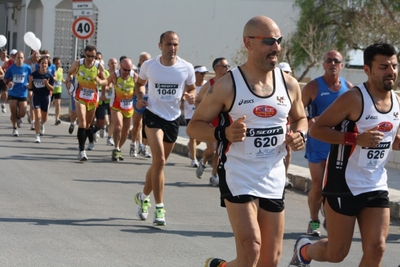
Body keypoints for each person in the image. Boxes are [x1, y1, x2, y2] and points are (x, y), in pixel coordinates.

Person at [187, 16, 308, 267]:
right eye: (268, 41)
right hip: (238, 172)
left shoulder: (289, 85)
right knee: (252, 250)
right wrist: (224, 133)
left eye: (279, 41)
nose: (276, 47)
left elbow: (301, 119)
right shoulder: (228, 85)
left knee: (270, 260)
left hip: (273, 174)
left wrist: (299, 135)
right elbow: (193, 127)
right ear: (248, 43)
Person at [289, 42, 400, 267]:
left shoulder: (396, 101)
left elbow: (394, 142)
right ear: (367, 70)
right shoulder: (354, 98)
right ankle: (305, 250)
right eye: (383, 66)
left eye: (395, 66)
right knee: (337, 253)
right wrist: (355, 139)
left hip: (375, 184)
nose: (391, 71)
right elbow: (318, 129)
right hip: (344, 183)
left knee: (377, 247)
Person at [134, 31, 196, 226]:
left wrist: (190, 96)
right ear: (160, 45)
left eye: (175, 44)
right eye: (169, 44)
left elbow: (192, 88)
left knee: (158, 165)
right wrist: (141, 95)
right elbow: (139, 84)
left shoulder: (186, 67)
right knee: (159, 159)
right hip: (153, 114)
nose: (172, 48)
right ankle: (159, 208)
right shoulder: (149, 66)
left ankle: (143, 197)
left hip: (173, 118)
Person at [301, 50, 353, 236]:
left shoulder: (348, 87)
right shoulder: (313, 87)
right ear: (323, 64)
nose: (332, 64)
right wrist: (307, 122)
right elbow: (296, 111)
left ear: (342, 65)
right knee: (318, 186)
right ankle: (314, 222)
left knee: (335, 185)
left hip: (338, 144)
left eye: (336, 61)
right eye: (329, 60)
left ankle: (329, 219)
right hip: (317, 143)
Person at [65, 44, 107, 161]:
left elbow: (105, 81)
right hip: (79, 96)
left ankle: (88, 142)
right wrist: (69, 82)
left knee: (88, 124)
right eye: (89, 56)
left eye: (93, 56)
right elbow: (70, 74)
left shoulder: (99, 66)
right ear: (85, 54)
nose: (91, 59)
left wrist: (100, 82)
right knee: (82, 122)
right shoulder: (78, 63)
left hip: (93, 98)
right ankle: (82, 150)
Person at [194, 57, 230, 186]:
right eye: (224, 66)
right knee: (212, 149)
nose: (227, 68)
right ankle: (203, 162)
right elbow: (197, 101)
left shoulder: (231, 83)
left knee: (220, 151)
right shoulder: (209, 85)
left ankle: (214, 175)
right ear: (216, 68)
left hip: (224, 121)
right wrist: (205, 112)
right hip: (211, 121)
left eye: (228, 66)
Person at [107, 57, 137, 161]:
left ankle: (118, 149)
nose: (127, 72)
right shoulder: (115, 75)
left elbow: (138, 89)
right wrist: (103, 90)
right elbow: (106, 83)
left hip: (128, 107)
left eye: (129, 70)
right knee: (118, 127)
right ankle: (115, 148)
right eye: (125, 70)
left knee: (125, 132)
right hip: (116, 106)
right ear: (120, 66)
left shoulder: (134, 76)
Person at [183, 65, 208, 167]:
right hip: (190, 114)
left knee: (199, 138)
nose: (203, 75)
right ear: (195, 74)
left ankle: (191, 148)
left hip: (203, 114)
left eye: (204, 73)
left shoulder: (206, 85)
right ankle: (194, 159)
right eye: (201, 73)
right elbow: (181, 94)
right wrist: (181, 101)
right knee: (192, 137)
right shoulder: (188, 85)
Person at [3, 51, 32, 136]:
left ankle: (18, 117)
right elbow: (5, 79)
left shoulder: (27, 68)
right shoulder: (11, 68)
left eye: (21, 58)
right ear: (15, 58)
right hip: (13, 92)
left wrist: (29, 84)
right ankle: (15, 129)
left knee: (22, 113)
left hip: (23, 93)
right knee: (13, 111)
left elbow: (31, 79)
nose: (19, 59)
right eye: (18, 57)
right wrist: (8, 83)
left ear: (24, 58)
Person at [27, 56, 54, 143]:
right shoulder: (34, 75)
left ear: (47, 65)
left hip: (46, 97)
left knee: (44, 117)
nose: (44, 65)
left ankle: (42, 124)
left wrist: (46, 84)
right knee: (37, 116)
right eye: (42, 63)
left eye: (45, 63)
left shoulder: (49, 75)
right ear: (39, 64)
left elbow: (52, 88)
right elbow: (30, 87)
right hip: (36, 97)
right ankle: (37, 135)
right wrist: (30, 82)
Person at [130, 52, 152, 158]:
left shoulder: (153, 73)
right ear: (140, 61)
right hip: (138, 100)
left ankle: (144, 147)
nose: (146, 62)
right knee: (137, 125)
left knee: (149, 125)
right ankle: (133, 144)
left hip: (150, 101)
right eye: (143, 60)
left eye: (148, 60)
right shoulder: (135, 73)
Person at [278, 62, 294, 189]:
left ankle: (284, 175)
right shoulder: (272, 85)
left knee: (288, 149)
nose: (285, 75)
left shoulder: (292, 88)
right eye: (283, 72)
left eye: (287, 72)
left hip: (287, 122)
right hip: (274, 123)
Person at [106, 57, 118, 146]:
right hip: (104, 101)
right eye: (112, 63)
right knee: (106, 121)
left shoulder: (119, 74)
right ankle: (100, 128)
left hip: (114, 101)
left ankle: (109, 137)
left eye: (115, 63)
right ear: (108, 65)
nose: (113, 65)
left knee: (112, 121)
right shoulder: (106, 73)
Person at [52, 57, 64, 125]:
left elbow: (61, 78)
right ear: (53, 63)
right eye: (56, 63)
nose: (57, 65)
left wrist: (66, 81)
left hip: (58, 89)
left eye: (59, 63)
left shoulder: (61, 70)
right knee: (49, 104)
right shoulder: (51, 69)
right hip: (51, 89)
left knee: (58, 103)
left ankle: (57, 118)